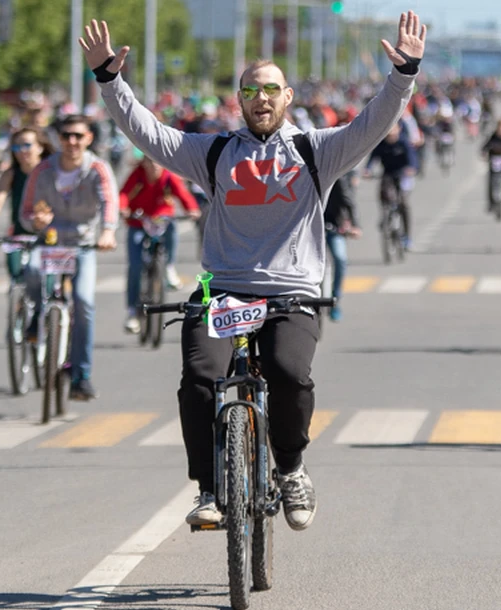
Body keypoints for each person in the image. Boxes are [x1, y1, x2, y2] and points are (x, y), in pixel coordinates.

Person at [80, 12, 427, 530]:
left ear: (288, 98)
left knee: (289, 374)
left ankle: (290, 467)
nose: (261, 98)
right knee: (200, 378)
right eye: (250, 90)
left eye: (271, 89)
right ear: (238, 100)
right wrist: (110, 80)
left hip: (291, 294)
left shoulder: (317, 149)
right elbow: (148, 133)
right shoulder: (215, 153)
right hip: (222, 291)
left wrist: (404, 75)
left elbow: (373, 123)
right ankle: (207, 487)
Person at [19, 113, 120, 401]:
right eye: (66, 136)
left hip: (83, 244)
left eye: (78, 136)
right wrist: (35, 222)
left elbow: (109, 202)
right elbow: (26, 211)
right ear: (58, 139)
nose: (72, 142)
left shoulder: (97, 169)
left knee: (84, 301)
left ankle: (81, 376)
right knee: (33, 273)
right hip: (49, 243)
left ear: (89, 139)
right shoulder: (43, 170)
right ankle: (38, 316)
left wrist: (108, 232)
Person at [119, 155, 201, 333]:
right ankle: (132, 311)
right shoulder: (137, 175)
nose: (154, 166)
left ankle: (169, 266)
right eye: (150, 162)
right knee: (135, 266)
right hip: (138, 222)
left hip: (162, 220)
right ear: (144, 163)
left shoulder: (169, 176)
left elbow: (183, 194)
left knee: (172, 229)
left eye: (157, 162)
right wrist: (123, 208)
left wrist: (192, 209)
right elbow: (124, 194)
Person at [0, 128, 55, 286]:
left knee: (46, 282)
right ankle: (19, 306)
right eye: (16, 147)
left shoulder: (51, 172)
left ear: (40, 147)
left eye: (27, 145)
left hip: (49, 234)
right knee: (16, 275)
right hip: (19, 234)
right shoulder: (11, 173)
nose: (22, 151)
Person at [366, 123, 419, 249]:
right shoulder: (381, 144)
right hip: (388, 174)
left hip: (403, 174)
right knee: (383, 193)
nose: (390, 135)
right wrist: (367, 170)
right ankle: (385, 216)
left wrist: (412, 168)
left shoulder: (403, 142)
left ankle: (406, 236)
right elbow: (372, 158)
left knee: (403, 203)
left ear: (398, 130)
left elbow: (412, 159)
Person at [323, 170, 361, 321]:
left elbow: (348, 200)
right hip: (307, 230)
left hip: (332, 225)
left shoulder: (336, 176)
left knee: (340, 259)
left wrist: (355, 225)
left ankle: (335, 300)